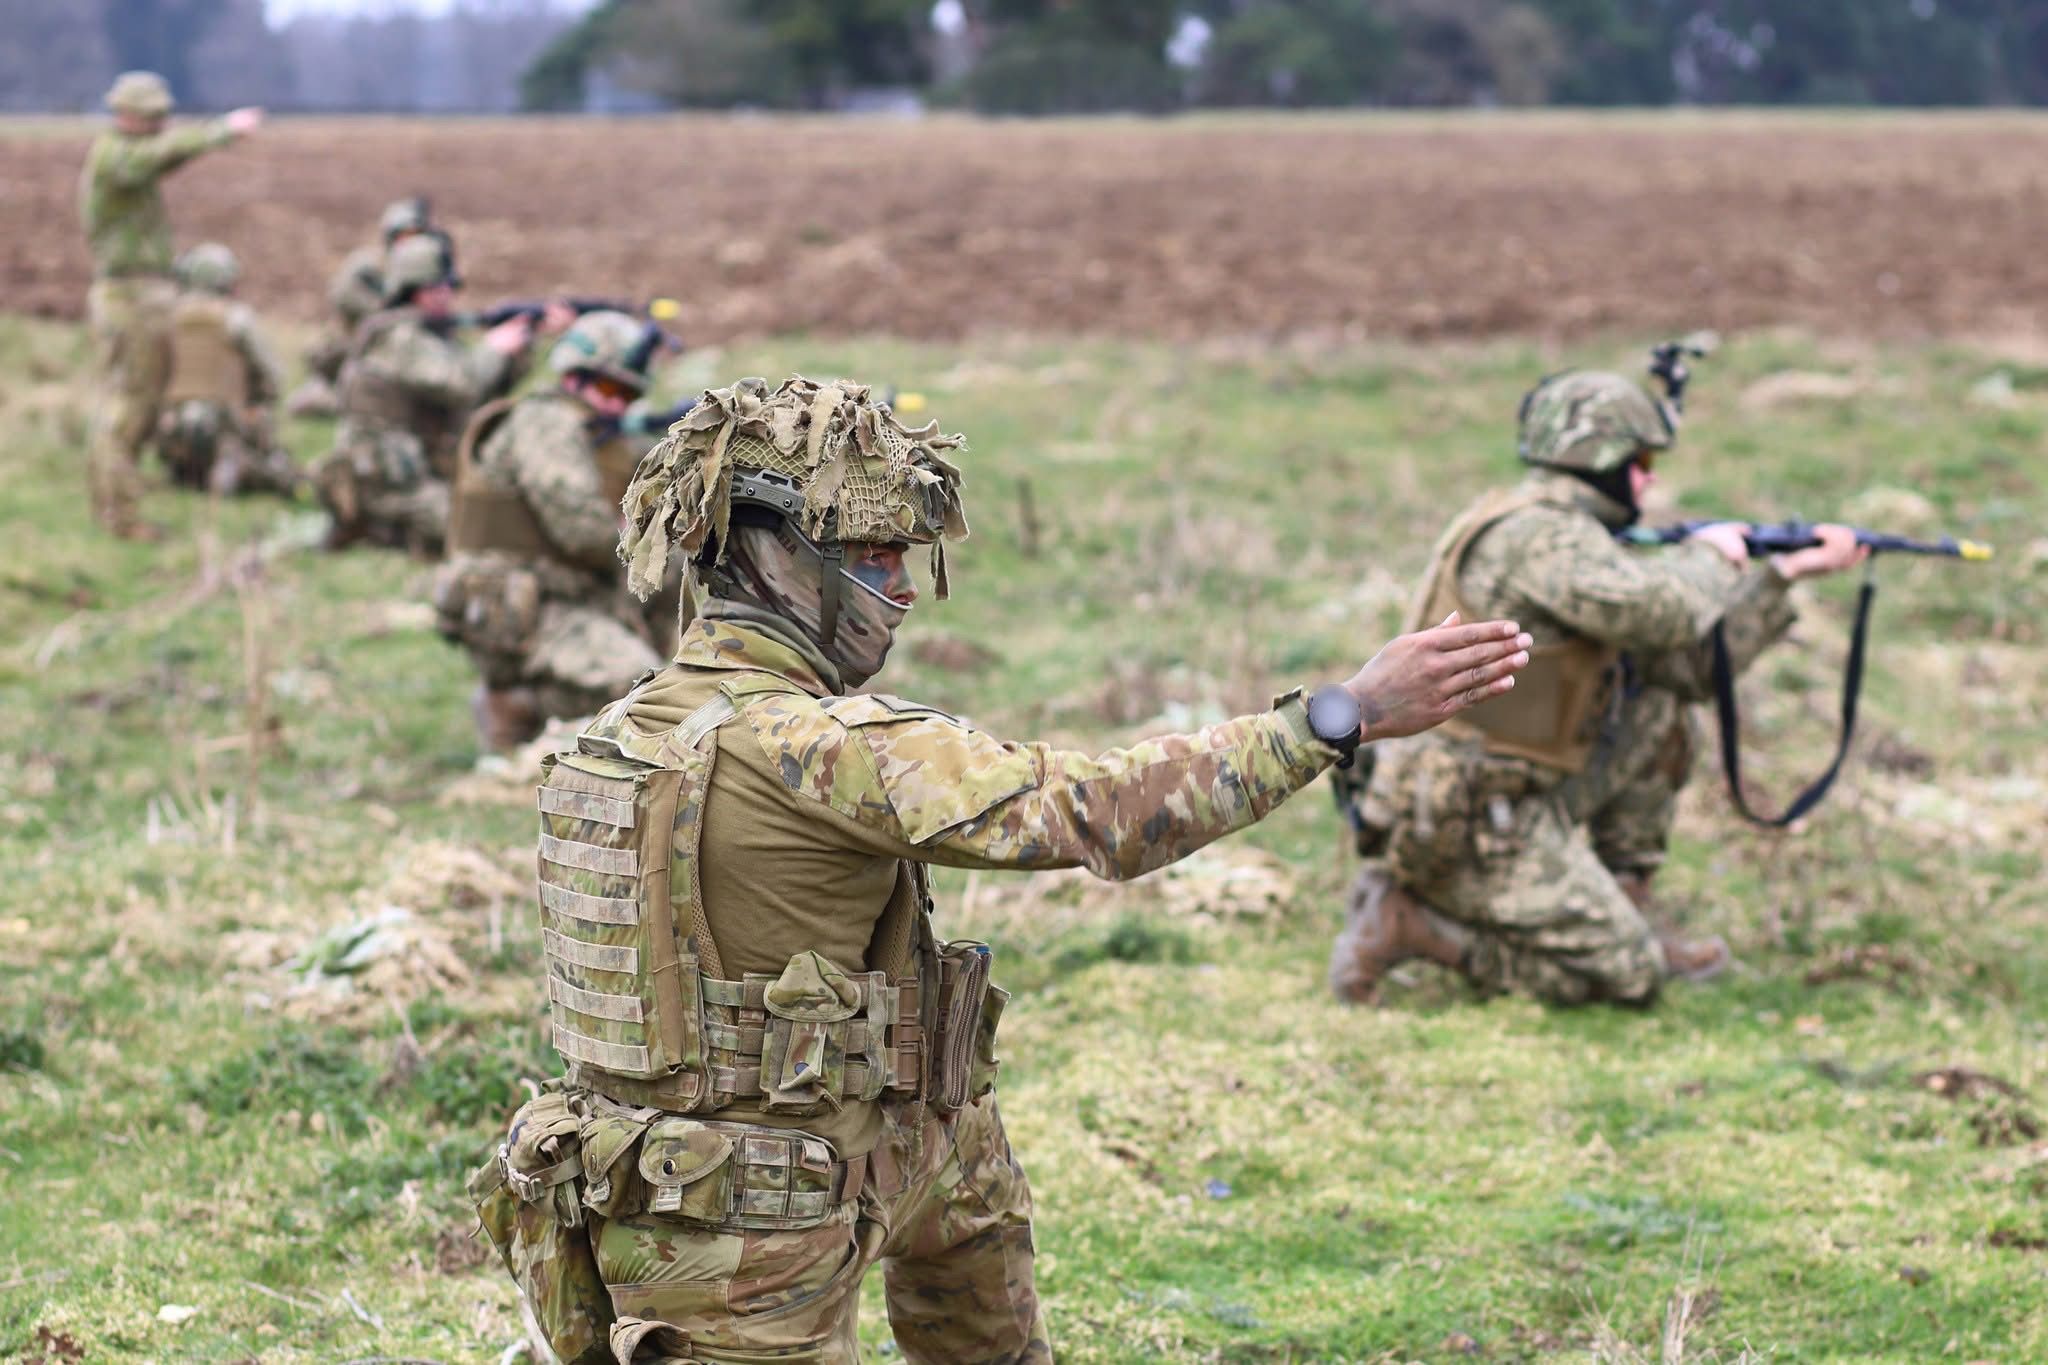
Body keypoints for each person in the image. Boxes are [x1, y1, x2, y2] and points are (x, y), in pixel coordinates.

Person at [467, 375, 1532, 1365]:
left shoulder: (617, 728)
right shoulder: (815, 745)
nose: (898, 587)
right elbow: (1101, 814)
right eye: (872, 555)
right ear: (769, 555)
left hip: (874, 1140)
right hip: (750, 1216)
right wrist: (1336, 717)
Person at [1326, 361, 1869, 1009]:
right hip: (1462, 814)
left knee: (1659, 705)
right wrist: (1712, 554)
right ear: (1600, 458)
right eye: (1640, 458)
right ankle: (1415, 926)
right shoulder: (1538, 536)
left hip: (1512, 786)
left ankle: (1626, 897)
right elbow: (1661, 609)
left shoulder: (1569, 534)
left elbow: (1688, 668)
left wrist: (1782, 574)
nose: (1650, 475)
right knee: (1626, 976)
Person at [433, 310, 670, 749]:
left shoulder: (602, 433)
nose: (617, 403)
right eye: (608, 387)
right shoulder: (546, 422)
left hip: (566, 590)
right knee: (641, 688)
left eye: (628, 393)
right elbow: (580, 528)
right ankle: (518, 704)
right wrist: (636, 538)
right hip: (520, 602)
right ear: (573, 378)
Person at [77, 70, 262, 538]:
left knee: (139, 398)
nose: (161, 125)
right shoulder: (117, 157)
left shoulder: (128, 156)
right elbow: (159, 155)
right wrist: (220, 132)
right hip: (130, 297)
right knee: (132, 403)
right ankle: (121, 514)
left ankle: (115, 501)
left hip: (141, 293)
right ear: (125, 115)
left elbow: (158, 157)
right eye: (153, 117)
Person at [312, 232, 561, 554]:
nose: (447, 296)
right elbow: (463, 383)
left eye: (448, 287)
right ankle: (377, 525)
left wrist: (521, 347)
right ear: (412, 290)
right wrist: (494, 347)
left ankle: (382, 528)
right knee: (481, 536)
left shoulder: (422, 336)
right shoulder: (399, 338)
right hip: (390, 484)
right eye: (437, 288)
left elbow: (478, 396)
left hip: (413, 473)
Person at [157, 243, 299, 498]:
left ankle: (187, 470)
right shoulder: (236, 318)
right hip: (222, 427)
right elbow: (273, 375)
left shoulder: (167, 317)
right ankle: (242, 470)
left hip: (171, 428)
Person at [287, 197, 434, 418]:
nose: (410, 243)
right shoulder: (367, 266)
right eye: (405, 235)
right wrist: (386, 311)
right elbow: (344, 296)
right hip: (354, 348)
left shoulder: (421, 272)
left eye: (416, 236)